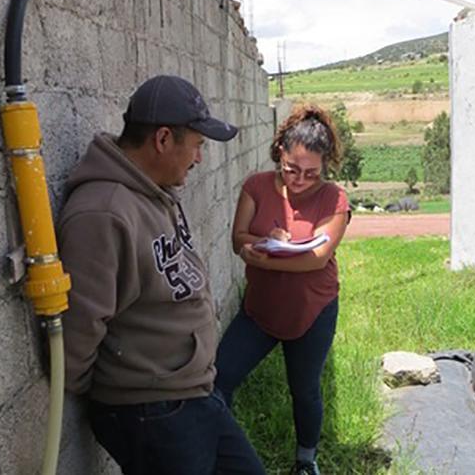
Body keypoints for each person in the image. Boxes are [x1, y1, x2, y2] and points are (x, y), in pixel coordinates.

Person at [57, 75, 265, 475]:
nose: (200, 158)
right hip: (151, 410)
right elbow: (79, 324)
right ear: (163, 139)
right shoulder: (103, 212)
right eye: (197, 145)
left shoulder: (154, 191)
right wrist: (123, 385)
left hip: (191, 395)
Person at [214, 105, 350, 475]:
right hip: (260, 310)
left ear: (324, 167)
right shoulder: (256, 186)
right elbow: (236, 238)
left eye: (311, 173)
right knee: (219, 377)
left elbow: (317, 258)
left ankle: (306, 461)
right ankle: (221, 452)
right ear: (279, 154)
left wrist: (257, 256)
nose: (300, 180)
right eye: (291, 169)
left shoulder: (334, 199)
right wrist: (262, 240)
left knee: (304, 389)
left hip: (312, 309)